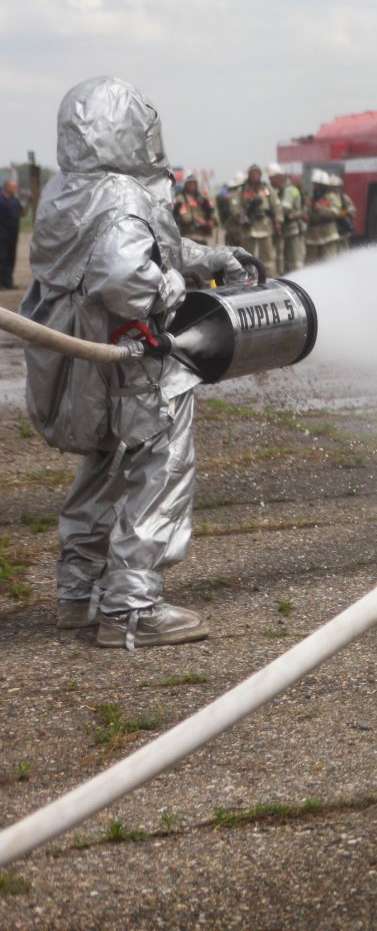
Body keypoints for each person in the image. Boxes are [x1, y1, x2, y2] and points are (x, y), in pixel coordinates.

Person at [20, 76, 250, 646]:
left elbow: (139, 247)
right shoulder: (125, 194)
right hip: (135, 360)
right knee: (161, 467)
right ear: (130, 132)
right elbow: (127, 277)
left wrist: (207, 258)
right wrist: (174, 285)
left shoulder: (65, 193)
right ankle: (132, 608)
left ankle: (79, 593)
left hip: (86, 368)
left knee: (100, 466)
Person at [234, 164, 280, 279]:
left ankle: (269, 279)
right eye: (252, 173)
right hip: (249, 228)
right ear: (249, 175)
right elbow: (235, 208)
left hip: (265, 227)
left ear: (260, 175)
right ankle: (248, 280)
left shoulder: (267, 188)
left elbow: (276, 205)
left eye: (257, 173)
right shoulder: (242, 189)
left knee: (268, 258)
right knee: (248, 257)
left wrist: (278, 221)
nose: (255, 176)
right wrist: (244, 217)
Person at [304, 172, 346, 264]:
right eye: (314, 184)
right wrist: (306, 214)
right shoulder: (311, 198)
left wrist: (321, 208)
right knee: (310, 264)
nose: (314, 187)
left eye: (316, 185)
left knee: (329, 263)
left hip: (328, 235)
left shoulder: (331, 197)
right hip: (312, 237)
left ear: (322, 186)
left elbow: (335, 212)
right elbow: (307, 212)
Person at [271, 164, 306, 273]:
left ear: (280, 179)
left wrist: (273, 212)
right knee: (287, 260)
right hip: (289, 231)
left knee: (295, 260)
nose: (271, 182)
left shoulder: (289, 190)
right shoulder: (284, 190)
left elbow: (285, 208)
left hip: (293, 230)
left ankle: (299, 281)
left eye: (273, 179)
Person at [172, 176, 217, 247]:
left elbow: (210, 211)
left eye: (194, 184)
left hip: (201, 235)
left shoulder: (201, 198)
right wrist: (198, 219)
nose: (192, 186)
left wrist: (209, 222)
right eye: (190, 184)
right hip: (188, 234)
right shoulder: (181, 198)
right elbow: (184, 217)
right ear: (186, 185)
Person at [0, 177, 22, 289]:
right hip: (2, 234)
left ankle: (8, 282)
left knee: (10, 257)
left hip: (13, 234)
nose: (15, 189)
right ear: (7, 187)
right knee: (1, 258)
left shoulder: (15, 200)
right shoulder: (1, 199)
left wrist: (29, 202)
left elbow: (22, 213)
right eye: (13, 187)